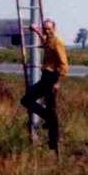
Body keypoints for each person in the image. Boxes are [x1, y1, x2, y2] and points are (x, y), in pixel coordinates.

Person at [20, 19, 69, 152]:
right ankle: (46, 117)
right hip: (45, 77)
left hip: (52, 77)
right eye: (45, 29)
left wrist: (57, 83)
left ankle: (53, 142)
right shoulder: (48, 40)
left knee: (51, 109)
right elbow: (45, 42)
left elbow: (64, 64)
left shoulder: (58, 43)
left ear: (55, 29)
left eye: (49, 28)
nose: (47, 31)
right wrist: (37, 31)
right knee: (26, 100)